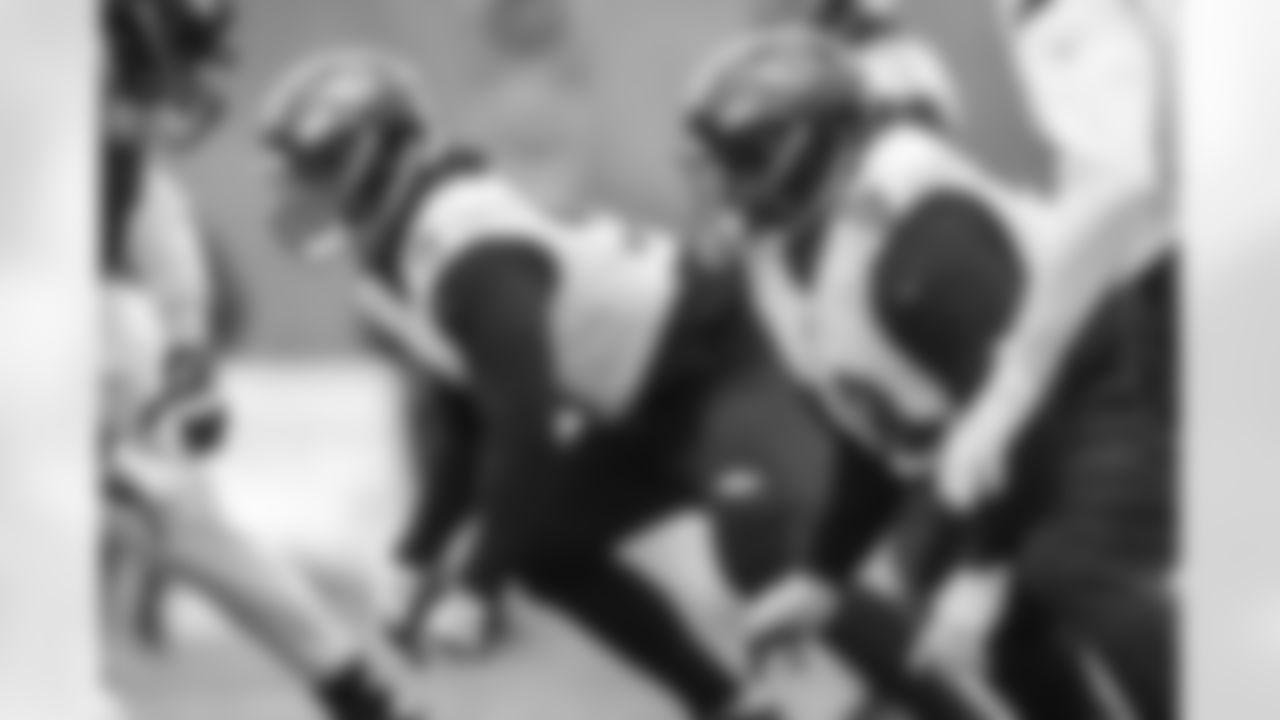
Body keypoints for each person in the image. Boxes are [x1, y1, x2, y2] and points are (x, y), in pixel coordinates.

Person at [258, 47, 850, 720]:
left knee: (773, 553)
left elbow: (525, 430)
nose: (299, 189)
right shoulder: (411, 248)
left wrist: (476, 587)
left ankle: (943, 700)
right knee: (546, 545)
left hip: (718, 359)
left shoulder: (463, 244)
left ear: (377, 158)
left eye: (317, 166)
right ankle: (731, 707)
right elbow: (466, 419)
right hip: (642, 401)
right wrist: (413, 557)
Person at [684, 22, 1174, 720]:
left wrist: (985, 575)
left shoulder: (919, 236)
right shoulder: (788, 254)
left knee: (1074, 563)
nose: (721, 185)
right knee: (948, 589)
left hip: (1099, 379)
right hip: (1013, 425)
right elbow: (878, 438)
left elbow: (1024, 412)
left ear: (798, 148)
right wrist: (822, 576)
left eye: (737, 159)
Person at [99, 2, 428, 718]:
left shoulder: (108, 143)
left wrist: (185, 341)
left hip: (82, 322)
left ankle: (356, 687)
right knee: (149, 504)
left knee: (167, 505)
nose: (196, 80)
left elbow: (145, 201)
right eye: (184, 52)